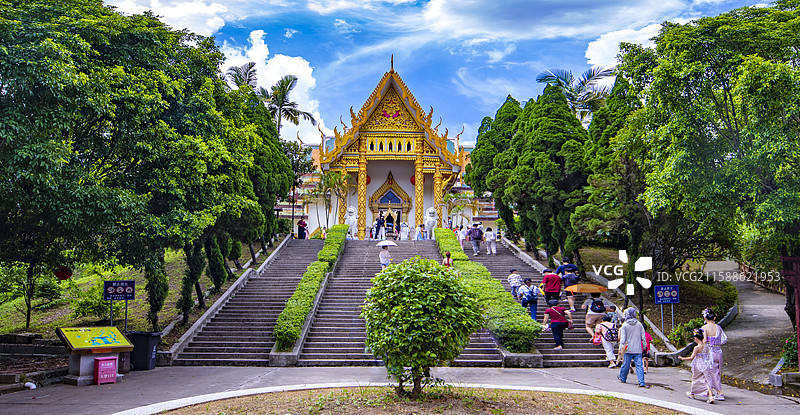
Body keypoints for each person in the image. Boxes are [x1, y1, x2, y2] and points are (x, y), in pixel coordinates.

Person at [679, 328, 715, 404]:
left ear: (696, 339)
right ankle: (710, 396)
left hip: (698, 363)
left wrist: (683, 358)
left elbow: (692, 357)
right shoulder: (706, 346)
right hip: (705, 363)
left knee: (696, 379)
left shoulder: (697, 348)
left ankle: (693, 393)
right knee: (707, 380)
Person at [617, 307, 649, 388]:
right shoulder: (639, 324)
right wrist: (645, 346)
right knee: (639, 366)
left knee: (626, 364)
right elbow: (643, 337)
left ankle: (623, 378)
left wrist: (620, 348)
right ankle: (641, 382)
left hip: (628, 349)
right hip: (638, 349)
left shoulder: (625, 325)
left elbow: (623, 339)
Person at [701, 308, 727, 401]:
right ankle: (712, 391)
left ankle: (718, 392)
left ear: (705, 318)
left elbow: (703, 341)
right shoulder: (718, 327)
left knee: (710, 372)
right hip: (718, 351)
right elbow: (724, 339)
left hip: (709, 352)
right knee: (717, 372)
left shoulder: (704, 328)